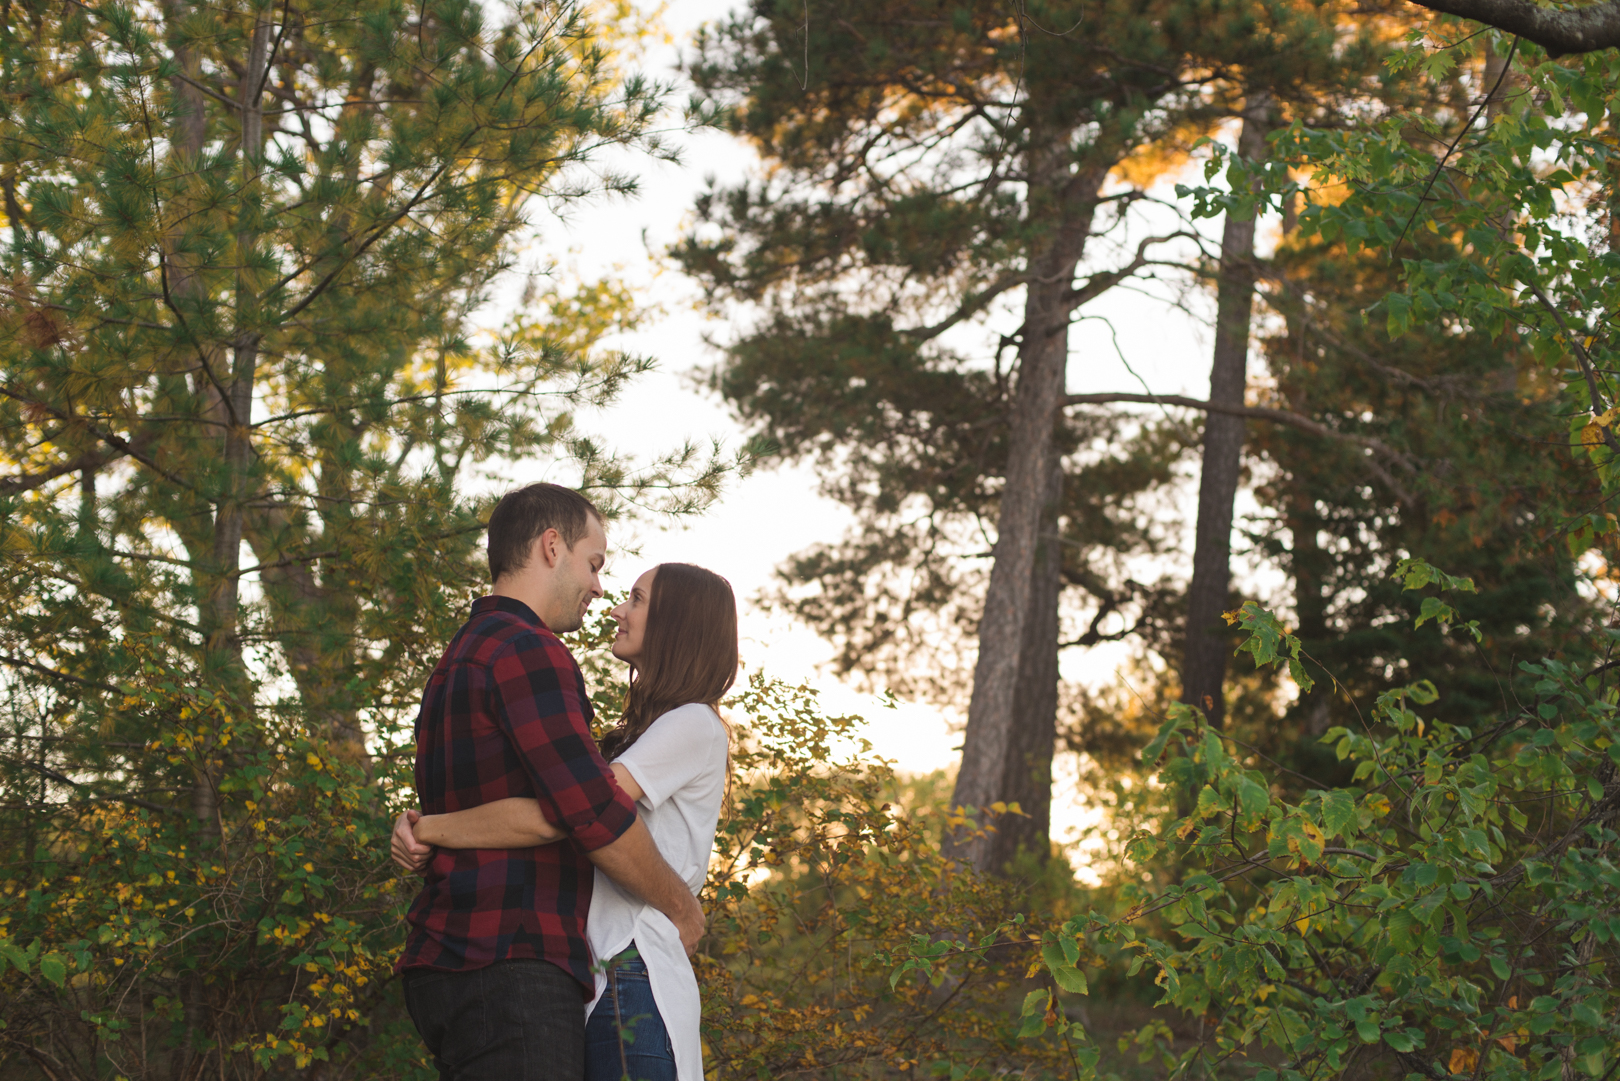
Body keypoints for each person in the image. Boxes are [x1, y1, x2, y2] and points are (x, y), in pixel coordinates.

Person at [395, 483, 705, 1081]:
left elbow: (502, 803)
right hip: (510, 961)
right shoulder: (529, 650)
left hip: (447, 960)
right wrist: (679, 907)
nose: (598, 587)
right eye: (594, 564)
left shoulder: (455, 660)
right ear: (551, 545)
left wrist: (421, 827)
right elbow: (586, 810)